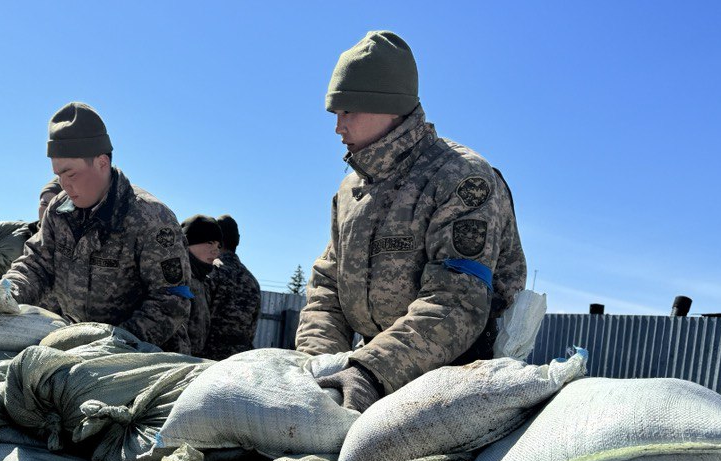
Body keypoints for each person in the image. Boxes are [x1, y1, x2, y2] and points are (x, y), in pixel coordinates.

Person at [296, 30, 527, 412]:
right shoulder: (351, 191)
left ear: (384, 104)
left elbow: (457, 301)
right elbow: (327, 286)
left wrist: (370, 372)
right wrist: (318, 368)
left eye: (347, 110)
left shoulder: (460, 177)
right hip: (363, 377)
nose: (338, 126)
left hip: (454, 384)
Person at [0, 102, 192, 351]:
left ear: (102, 162)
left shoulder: (151, 218)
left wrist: (113, 344)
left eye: (71, 174)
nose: (64, 185)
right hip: (79, 351)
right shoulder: (59, 211)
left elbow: (171, 300)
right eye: (58, 176)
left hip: (143, 359)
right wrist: (4, 294)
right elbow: (36, 265)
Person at [203, 214, 262, 359]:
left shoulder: (211, 271)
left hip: (207, 359)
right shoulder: (252, 281)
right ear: (238, 240)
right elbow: (251, 330)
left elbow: (198, 322)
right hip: (239, 362)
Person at [181, 214, 222, 356]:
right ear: (189, 242)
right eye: (210, 242)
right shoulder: (176, 278)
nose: (216, 251)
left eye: (218, 245)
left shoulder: (202, 281)